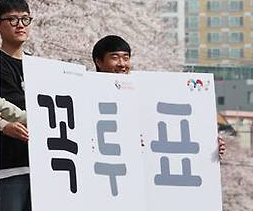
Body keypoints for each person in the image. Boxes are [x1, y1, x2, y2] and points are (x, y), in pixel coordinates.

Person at [91, 35, 226, 158]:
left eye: (126, 58)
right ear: (99, 61)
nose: (122, 64)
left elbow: (169, 130)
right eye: (115, 58)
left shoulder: (143, 93)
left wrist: (208, 147)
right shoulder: (86, 94)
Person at [0, 0, 32, 211]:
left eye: (25, 19)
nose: (20, 25)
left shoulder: (38, 66)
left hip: (43, 166)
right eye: (13, 19)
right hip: (9, 167)